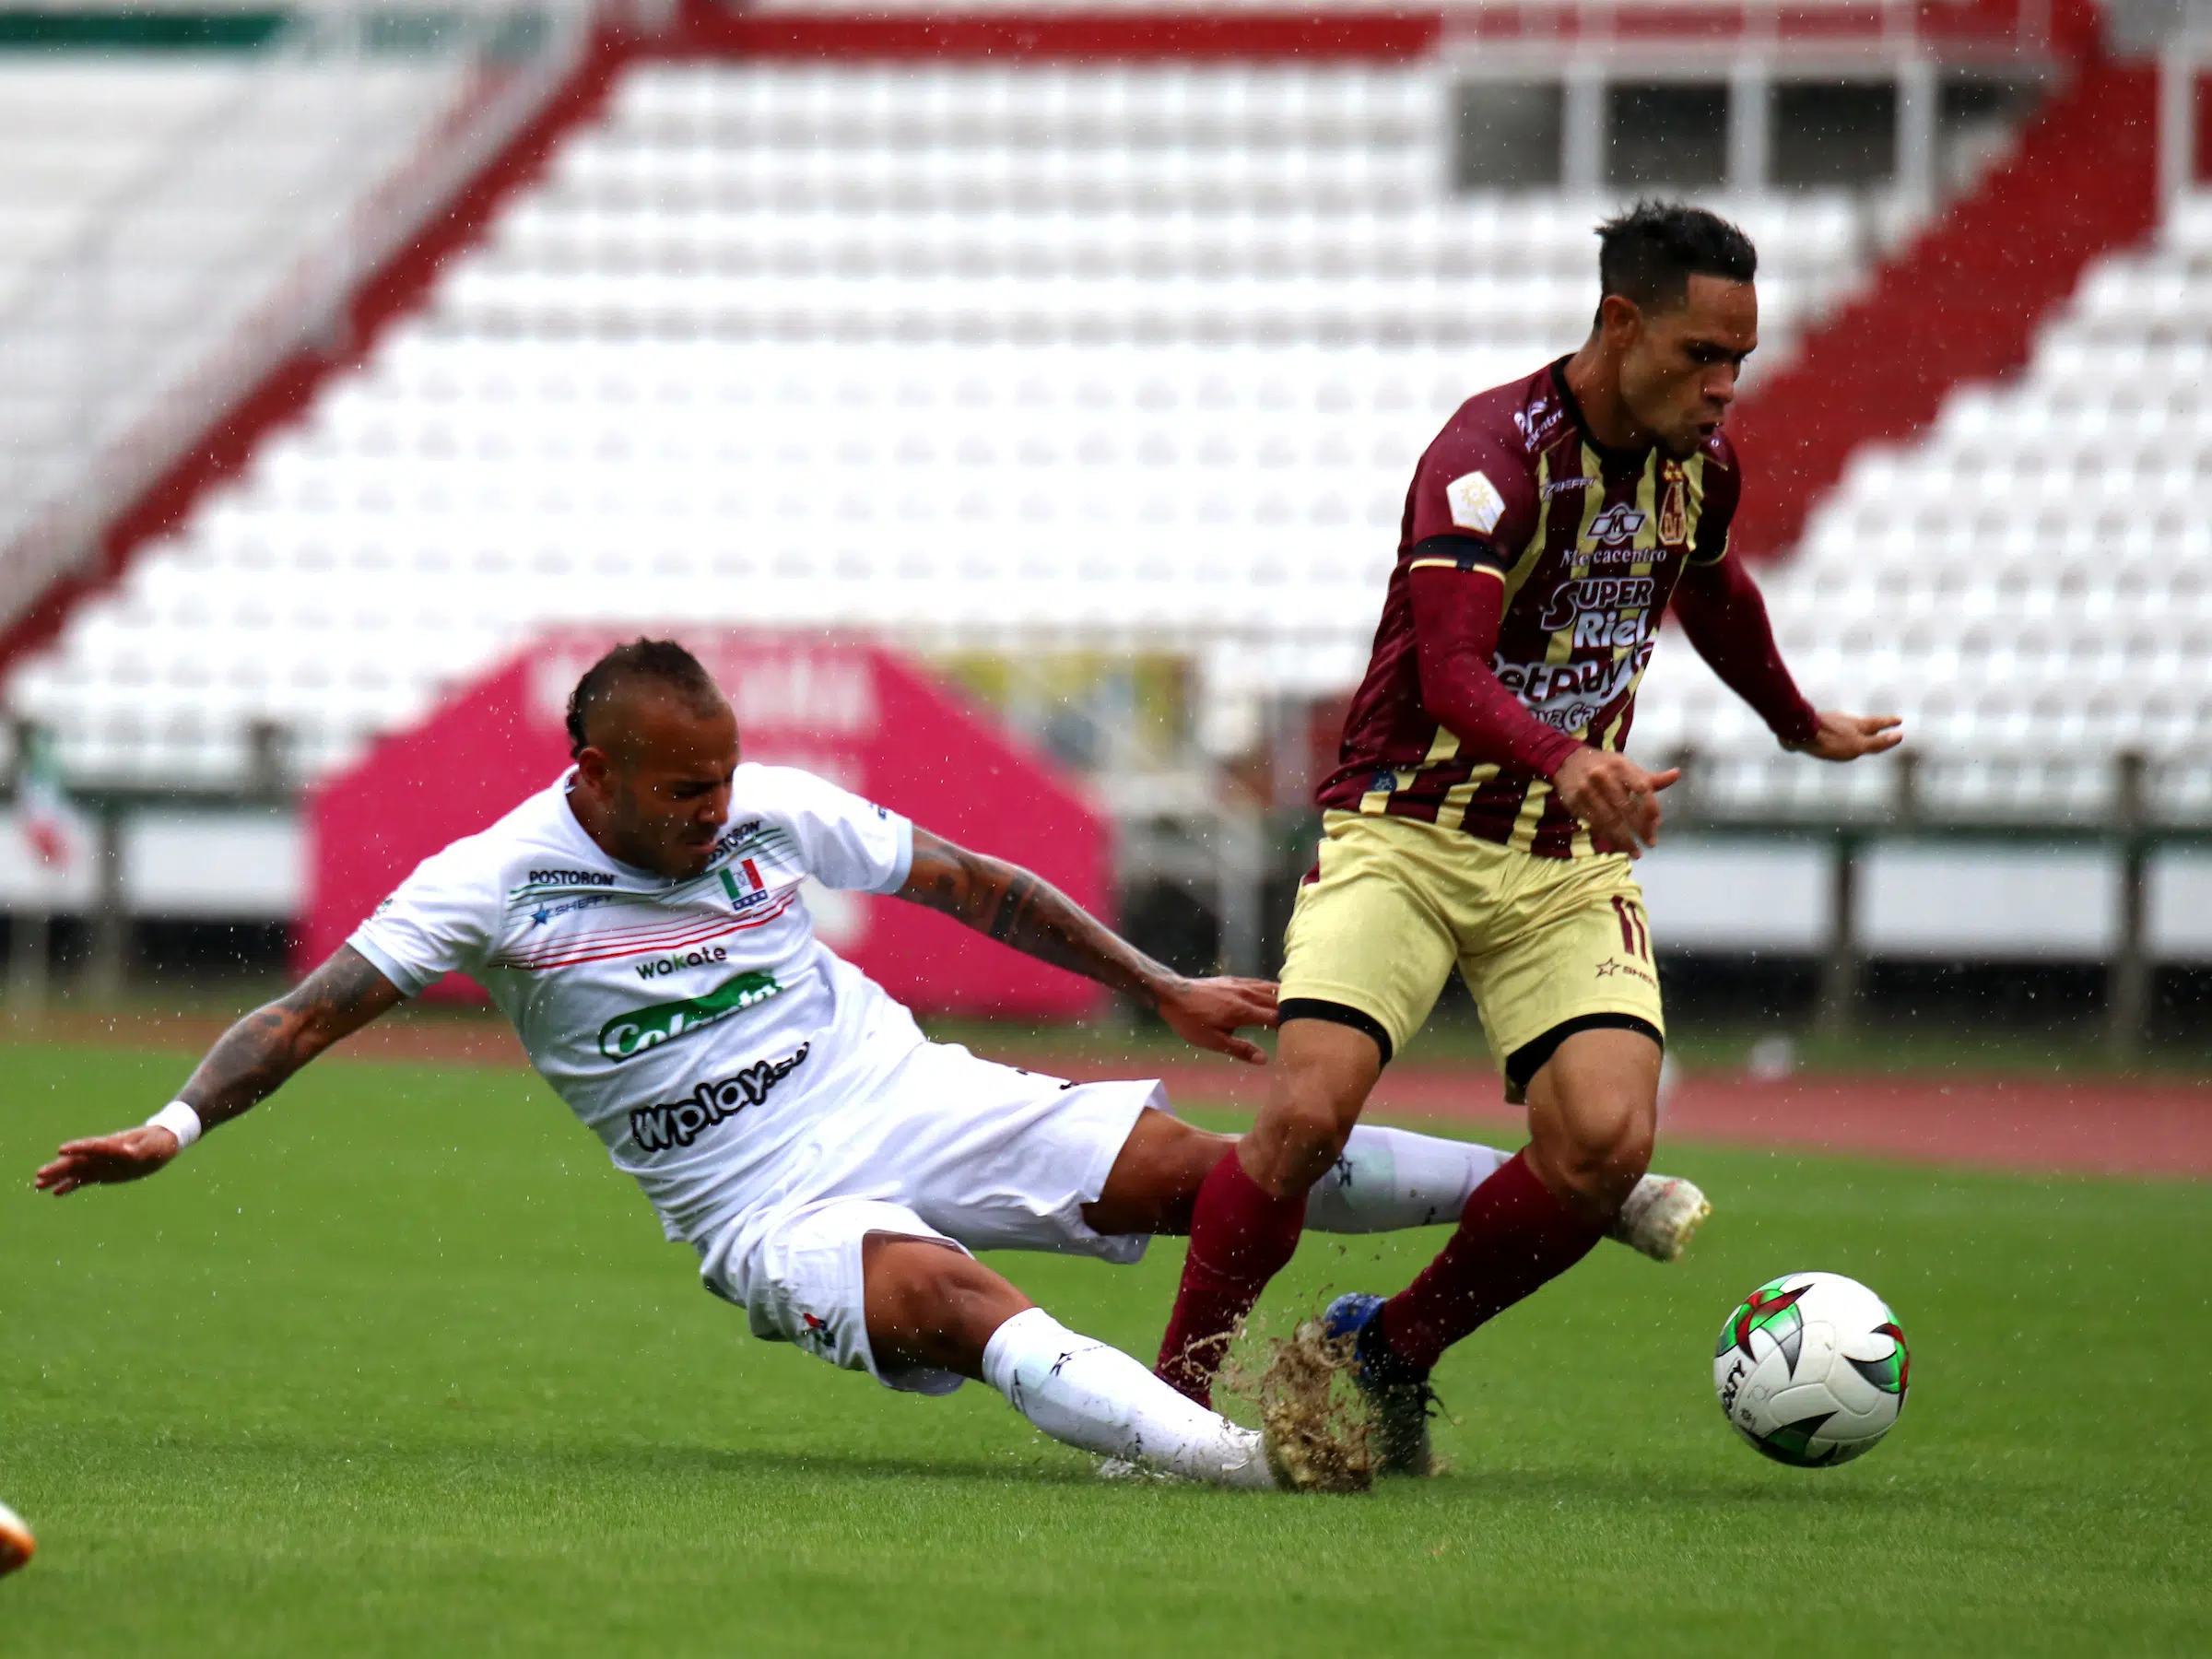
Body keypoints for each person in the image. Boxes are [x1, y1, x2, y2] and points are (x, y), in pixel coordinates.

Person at [36, 639, 1700, 1493]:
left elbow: (978, 884)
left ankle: (1558, 1193)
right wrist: (179, 1122)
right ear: (592, 774)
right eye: (683, 792)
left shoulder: (768, 807)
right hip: (757, 1201)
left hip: (906, 1089)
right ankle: (1235, 1463)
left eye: (726, 780)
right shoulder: (488, 881)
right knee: (955, 1307)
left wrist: (1155, 985)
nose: (717, 810)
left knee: (1228, 1168)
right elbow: (307, 1011)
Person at [1150, 200, 1904, 1473]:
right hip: (1408, 827)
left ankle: (1388, 1348)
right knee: (1307, 1117)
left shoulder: (1696, 467)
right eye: (1700, 357)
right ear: (1621, 323)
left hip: (1561, 858)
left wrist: (1791, 719)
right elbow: (1448, 672)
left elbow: (1708, 583)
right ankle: (1162, 1407)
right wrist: (1568, 755)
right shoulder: (1489, 455)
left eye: (1741, 362)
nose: (1724, 387)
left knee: (1607, 1147)